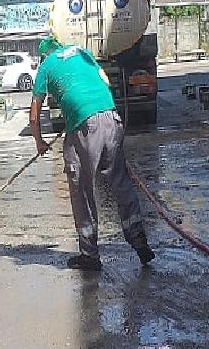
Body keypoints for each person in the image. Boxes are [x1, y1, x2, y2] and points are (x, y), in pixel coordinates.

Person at [29, 36, 155, 271]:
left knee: (81, 187)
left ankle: (89, 254)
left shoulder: (46, 66)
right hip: (110, 116)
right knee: (121, 182)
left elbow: (35, 113)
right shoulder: (82, 52)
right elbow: (105, 81)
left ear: (45, 55)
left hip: (85, 125)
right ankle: (140, 242)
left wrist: (39, 142)